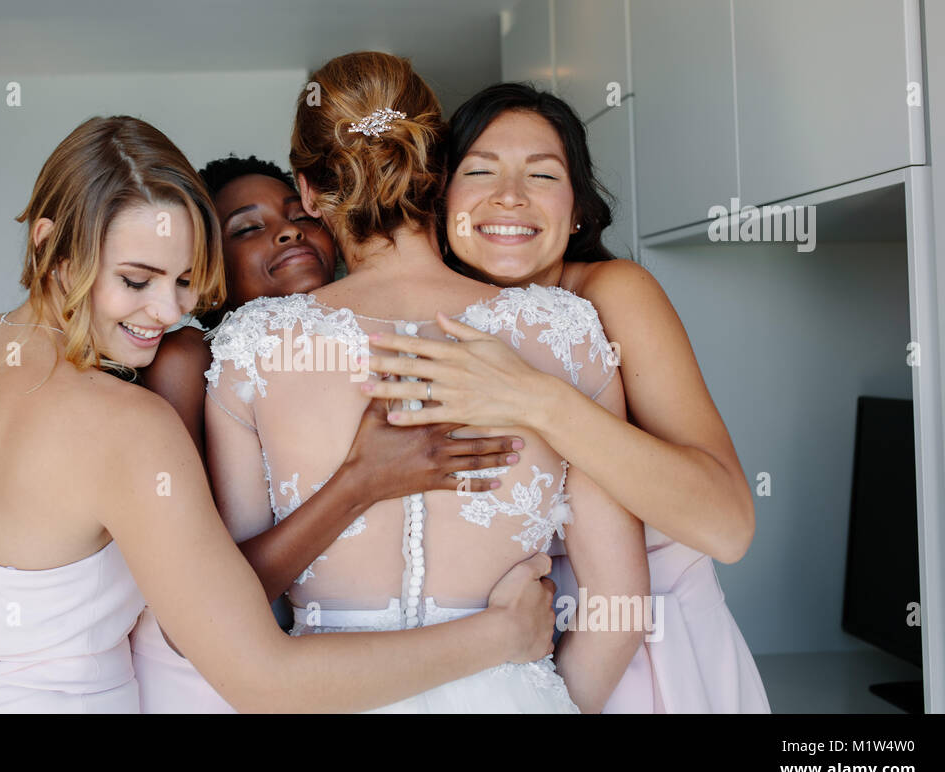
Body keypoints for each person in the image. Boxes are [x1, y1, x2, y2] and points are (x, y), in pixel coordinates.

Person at [0, 114, 560, 714]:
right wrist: (501, 637)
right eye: (136, 280)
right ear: (51, 247)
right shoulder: (128, 425)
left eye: (186, 280)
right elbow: (263, 682)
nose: (167, 313)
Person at [203, 52, 649, 713]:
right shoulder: (563, 331)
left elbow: (236, 604)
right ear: (438, 168)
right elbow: (621, 610)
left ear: (307, 191)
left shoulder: (251, 348)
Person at [361, 82, 770, 712]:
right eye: (481, 171)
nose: (510, 197)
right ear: (440, 201)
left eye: (543, 175)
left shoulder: (614, 294)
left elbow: (729, 526)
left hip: (659, 665)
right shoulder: (418, 327)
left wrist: (538, 401)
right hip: (514, 670)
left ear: (576, 208)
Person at [133, 156, 528, 713]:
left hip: (340, 672)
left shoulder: (358, 346)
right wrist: (362, 482)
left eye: (300, 216)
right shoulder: (190, 359)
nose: (287, 230)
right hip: (212, 677)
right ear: (208, 269)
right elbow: (201, 601)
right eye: (247, 228)